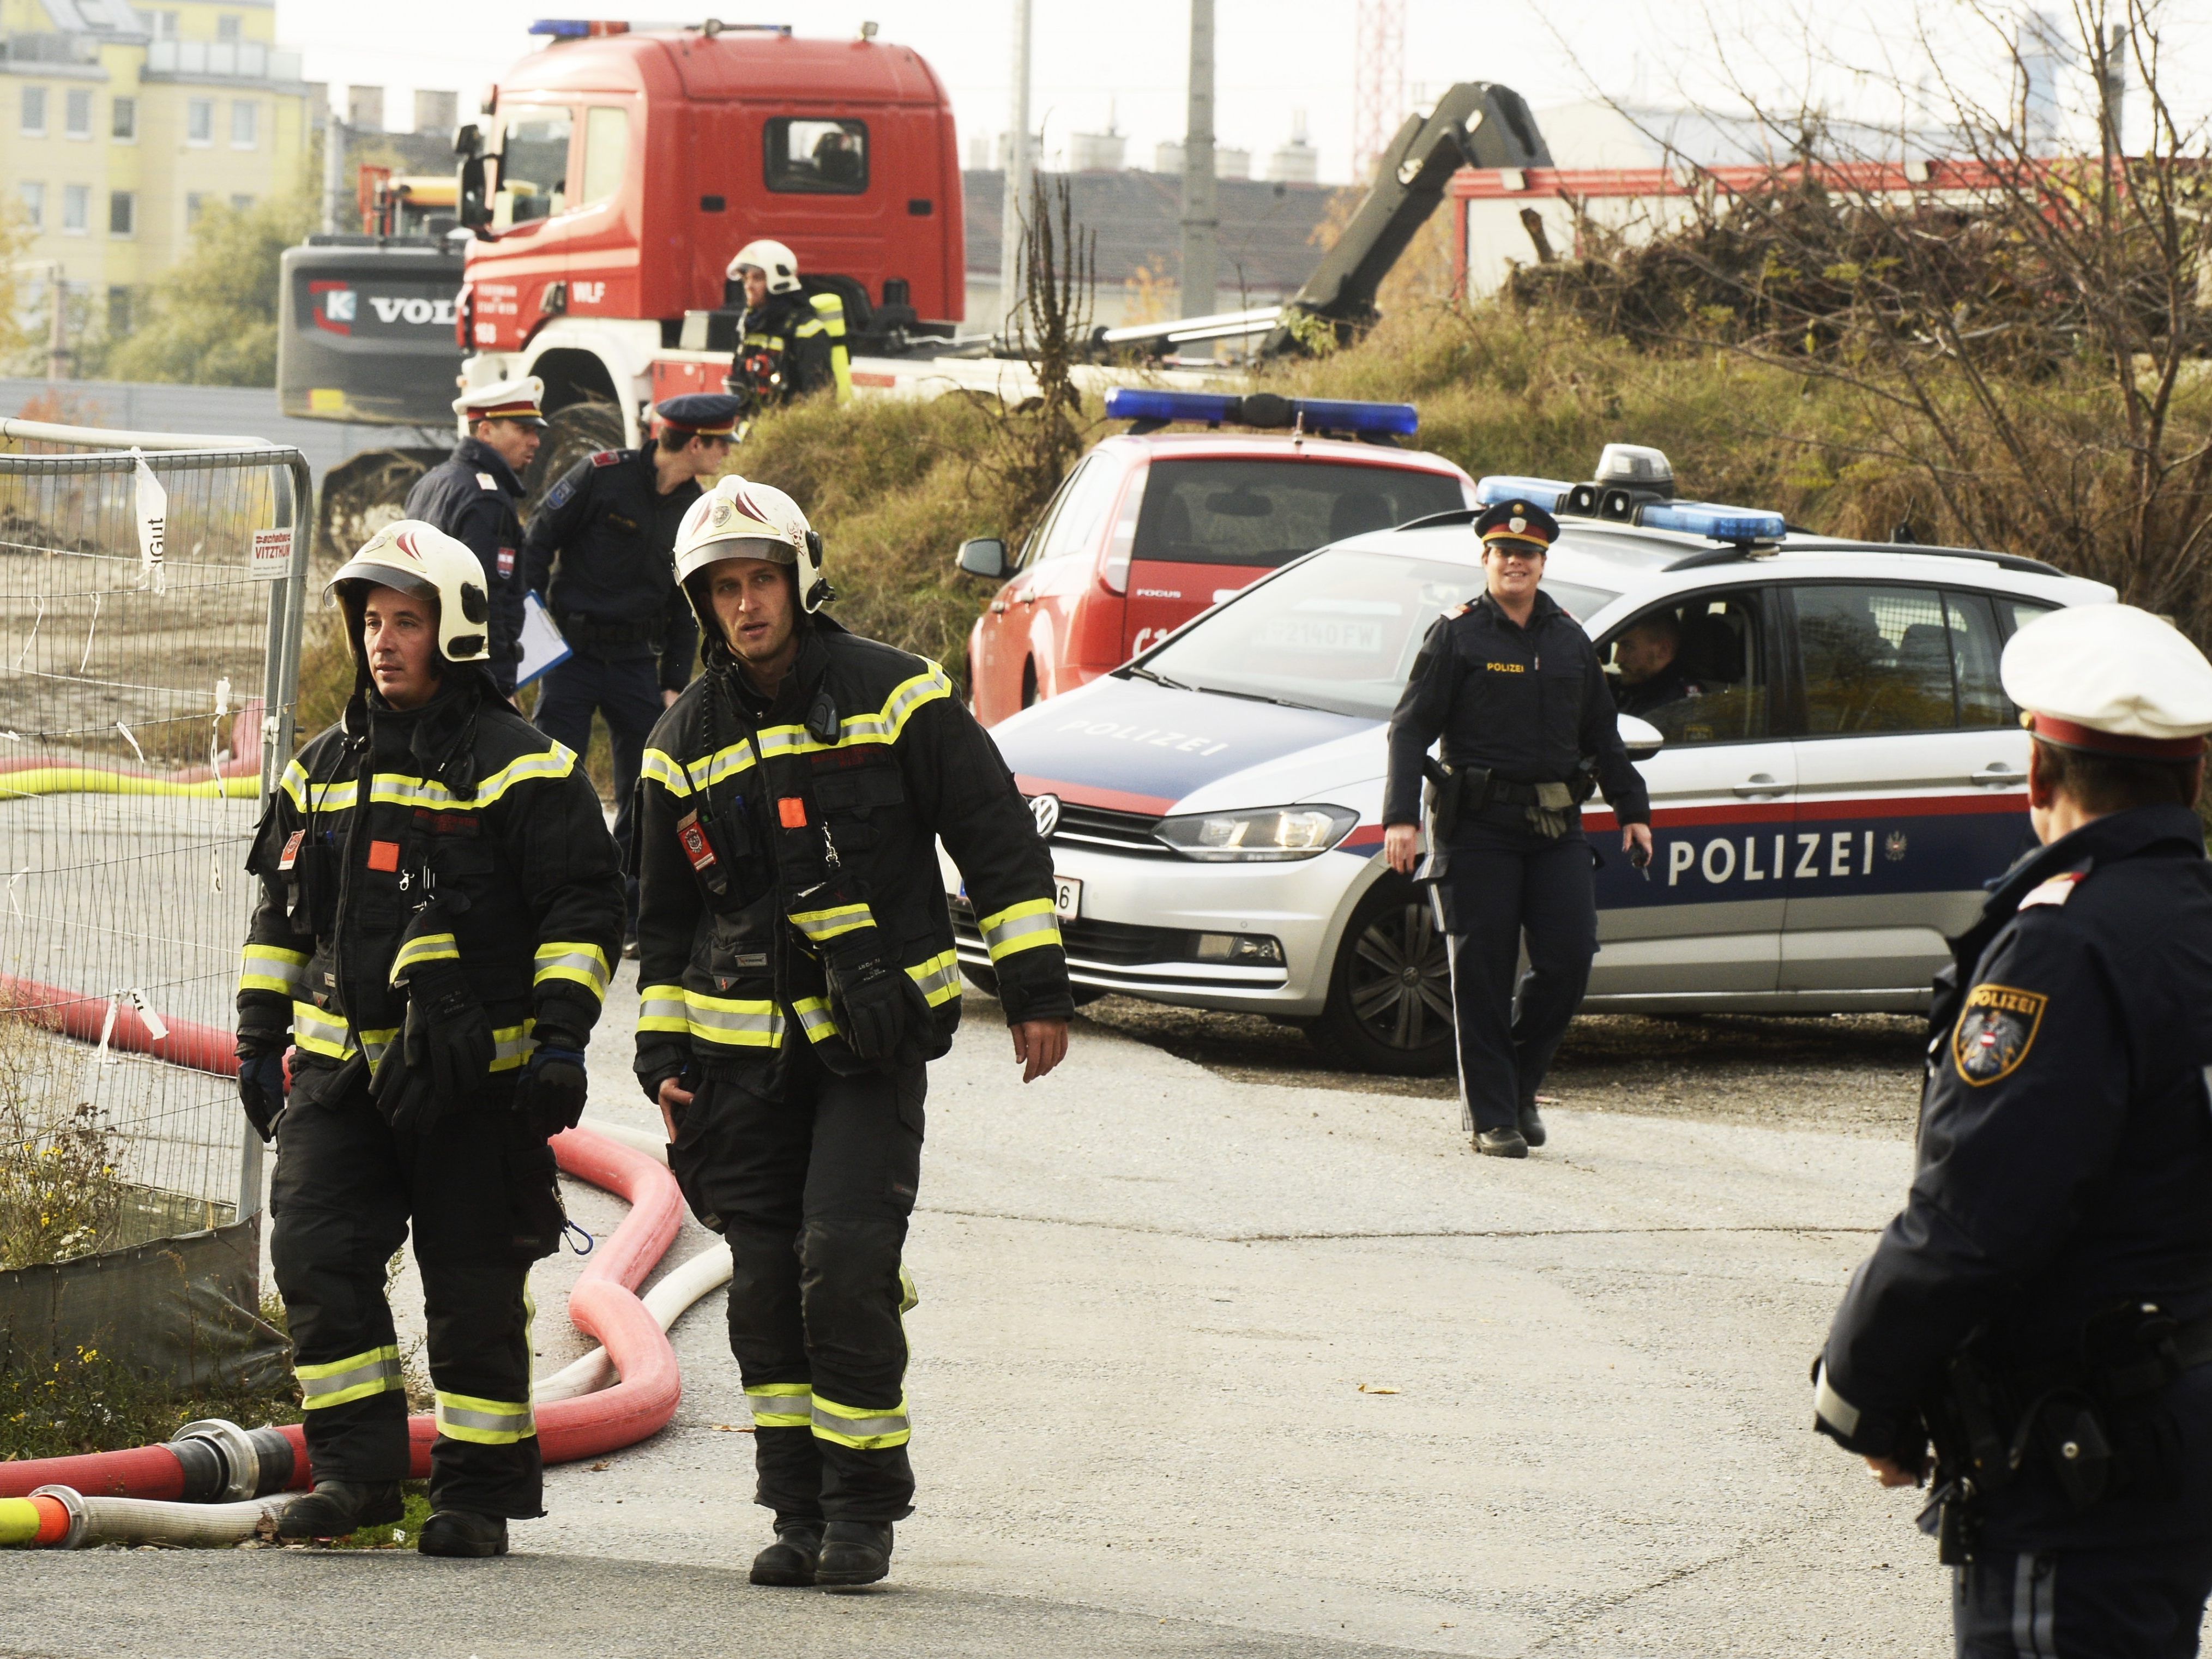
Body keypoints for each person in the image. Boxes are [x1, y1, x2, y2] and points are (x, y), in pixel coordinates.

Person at [633, 475, 1072, 1588]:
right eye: (725, 588)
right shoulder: (679, 743)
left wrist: (1032, 988)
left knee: (845, 1262)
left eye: (763, 580)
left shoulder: (898, 695)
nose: (748, 606)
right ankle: (796, 1510)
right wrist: (662, 1058)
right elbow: (663, 921)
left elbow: (995, 838)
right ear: (704, 604)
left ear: (800, 578)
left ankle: (865, 1512)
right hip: (739, 1070)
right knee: (768, 1284)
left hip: (871, 1051)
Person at [1812, 603, 2212, 1658]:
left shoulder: (2061, 948)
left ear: (2036, 777)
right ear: (2195, 778)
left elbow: (1975, 1216)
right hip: (2177, 1423)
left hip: (2078, 1449)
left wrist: (1864, 1388)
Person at [233, 521, 625, 1554]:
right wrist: (254, 1034)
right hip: (339, 1080)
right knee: (314, 1253)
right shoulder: (317, 770)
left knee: (470, 1287)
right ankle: (357, 1475)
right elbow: (279, 919)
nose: (383, 641)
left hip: (475, 1086)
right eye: (370, 621)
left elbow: (583, 913)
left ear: (454, 630)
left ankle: (476, 1492)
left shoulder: (527, 769)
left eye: (405, 620)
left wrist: (558, 1044)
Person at [1381, 499, 1654, 1159]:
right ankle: (1493, 1116)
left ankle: (1520, 1084)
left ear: (1541, 563)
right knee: (1482, 971)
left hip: (1555, 826)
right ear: (1486, 559)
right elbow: (1410, 728)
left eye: (1526, 555)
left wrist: (1632, 809)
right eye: (1504, 552)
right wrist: (1400, 817)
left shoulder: (1568, 640)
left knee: (1568, 959)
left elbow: (1601, 735)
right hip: (1476, 827)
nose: (1515, 563)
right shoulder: (1458, 635)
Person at [522, 393, 736, 952]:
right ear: (694, 444)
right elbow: (538, 541)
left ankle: (629, 913)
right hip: (571, 655)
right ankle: (546, 901)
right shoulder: (600, 475)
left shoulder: (697, 509)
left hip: (636, 664)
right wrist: (533, 626)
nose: (726, 452)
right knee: (550, 779)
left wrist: (673, 679)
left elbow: (688, 603)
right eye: (721, 442)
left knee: (645, 789)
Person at [402, 375, 546, 696]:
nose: (535, 441)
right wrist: (500, 684)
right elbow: (484, 600)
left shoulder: (433, 481)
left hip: (424, 661)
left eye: (536, 431)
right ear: (485, 432)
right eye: (524, 430)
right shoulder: (485, 498)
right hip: (468, 676)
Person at [724, 239, 854, 409]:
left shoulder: (806, 330)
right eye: (745, 279)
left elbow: (820, 399)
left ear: (778, 281)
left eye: (757, 278)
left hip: (789, 429)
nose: (748, 286)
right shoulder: (750, 326)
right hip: (754, 427)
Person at [1611, 612, 1701, 719]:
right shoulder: (1638, 686)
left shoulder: (1681, 705)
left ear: (1663, 651)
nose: (1617, 659)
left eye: (1628, 647)